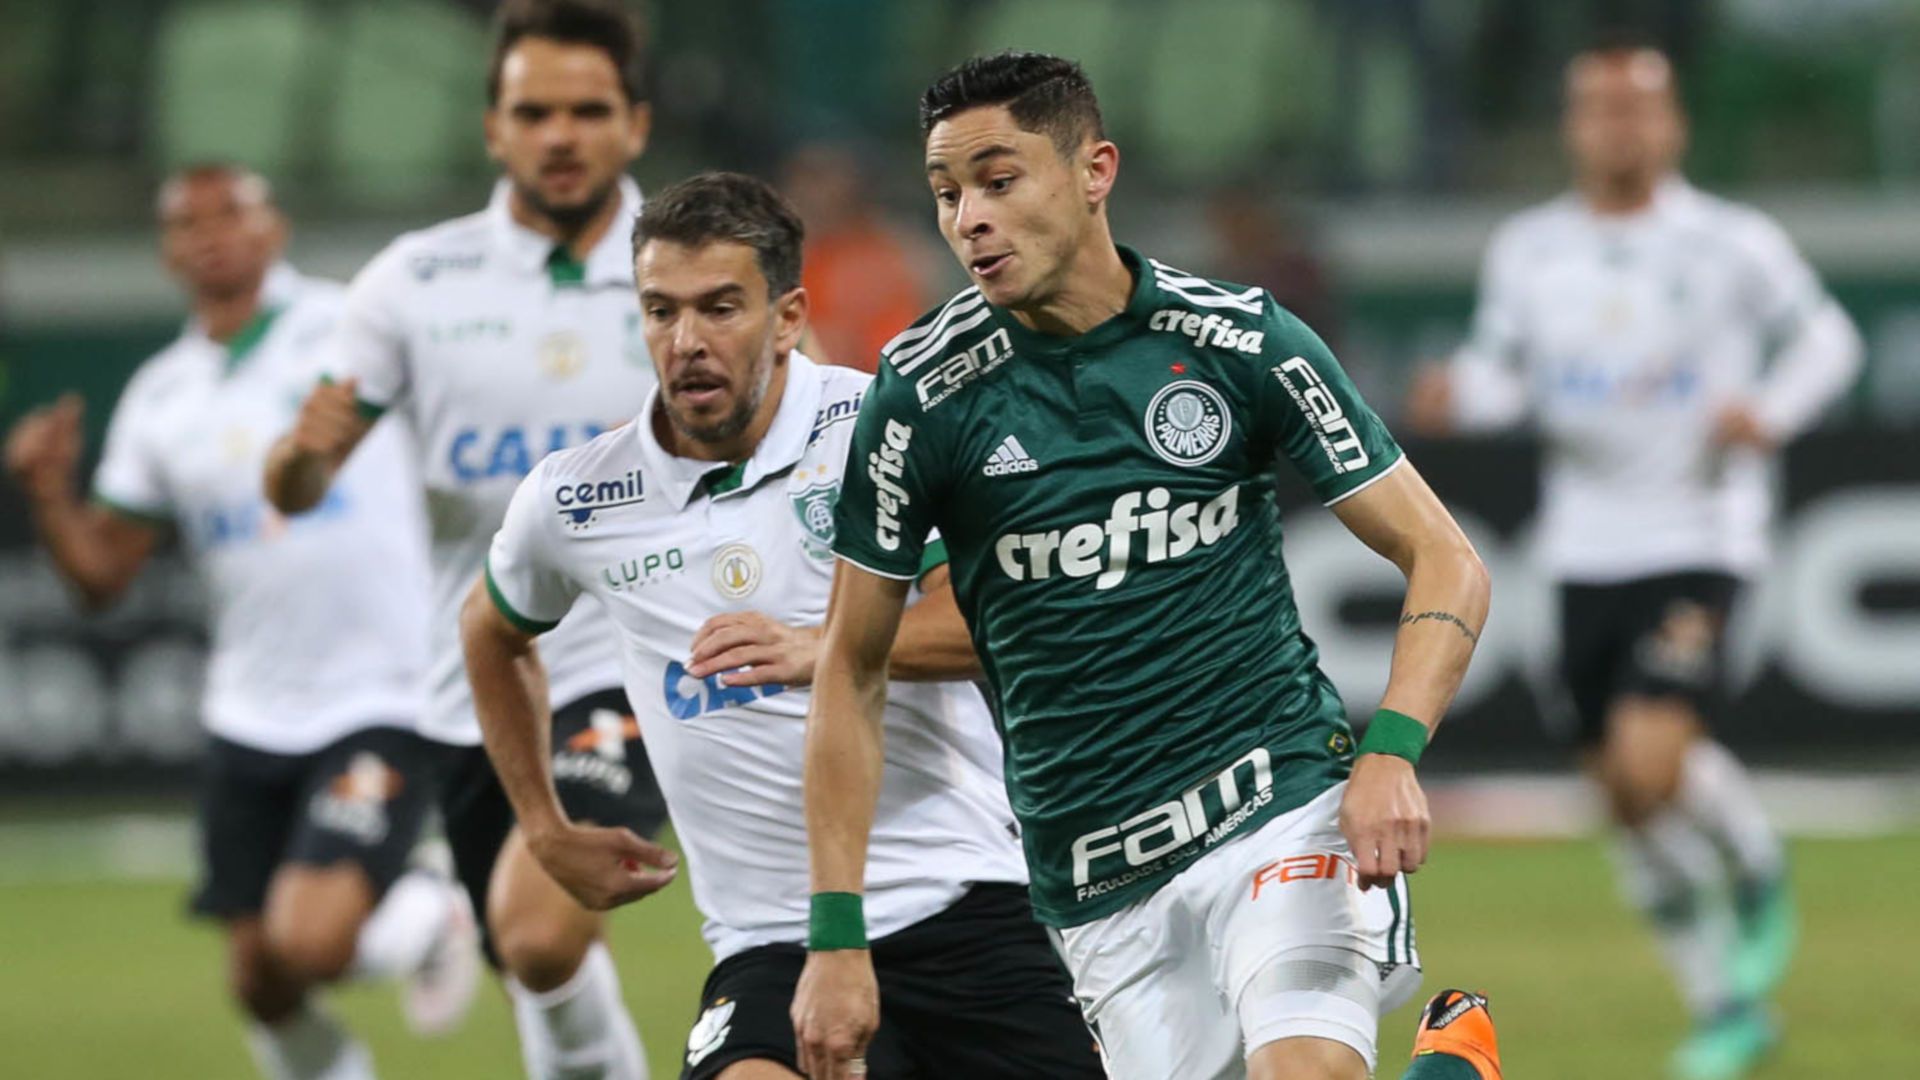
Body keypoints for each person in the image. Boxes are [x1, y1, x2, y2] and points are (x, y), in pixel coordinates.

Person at [791, 52, 1500, 1080]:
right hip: (1097, 889)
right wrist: (834, 933)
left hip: (1280, 804)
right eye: (946, 194)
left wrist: (1390, 748)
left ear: (1095, 171)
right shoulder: (922, 397)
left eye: (999, 180)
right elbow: (851, 667)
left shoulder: (1240, 344)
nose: (968, 220)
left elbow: (1446, 557)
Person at [463, 170, 1106, 1080]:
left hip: (968, 904)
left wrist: (823, 649)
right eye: (660, 311)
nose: (686, 342)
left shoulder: (880, 428)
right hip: (769, 945)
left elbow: (986, 620)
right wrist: (542, 825)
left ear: (789, 314)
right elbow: (491, 631)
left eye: (720, 308)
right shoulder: (578, 498)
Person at [1405, 39, 1859, 1080]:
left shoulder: (1730, 241)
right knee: (1620, 794)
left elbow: (1829, 337)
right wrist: (1459, 397)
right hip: (1582, 549)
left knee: (1653, 760)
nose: (1620, 127)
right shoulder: (1529, 248)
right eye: (1600, 109)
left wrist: (1771, 411)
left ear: (1673, 124)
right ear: (1574, 127)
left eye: (1638, 108)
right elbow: (1501, 373)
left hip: (1699, 535)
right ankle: (1723, 1003)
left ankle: (1751, 857)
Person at [262, 2, 670, 1075]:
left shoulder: (690, 272)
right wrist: (300, 458)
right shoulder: (414, 282)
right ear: (493, 127)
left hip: (637, 664)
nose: (561, 135)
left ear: (637, 123)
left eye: (589, 110)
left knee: (540, 932)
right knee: (531, 960)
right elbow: (299, 481)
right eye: (534, 111)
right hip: (477, 679)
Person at [3, 163, 476, 1080]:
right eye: (188, 221)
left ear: (275, 231)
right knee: (260, 979)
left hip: (381, 692)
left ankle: (430, 907)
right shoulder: (160, 394)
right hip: (248, 708)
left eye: (232, 213)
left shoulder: (349, 329)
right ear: (167, 251)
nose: (211, 232)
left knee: (311, 938)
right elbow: (103, 577)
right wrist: (50, 498)